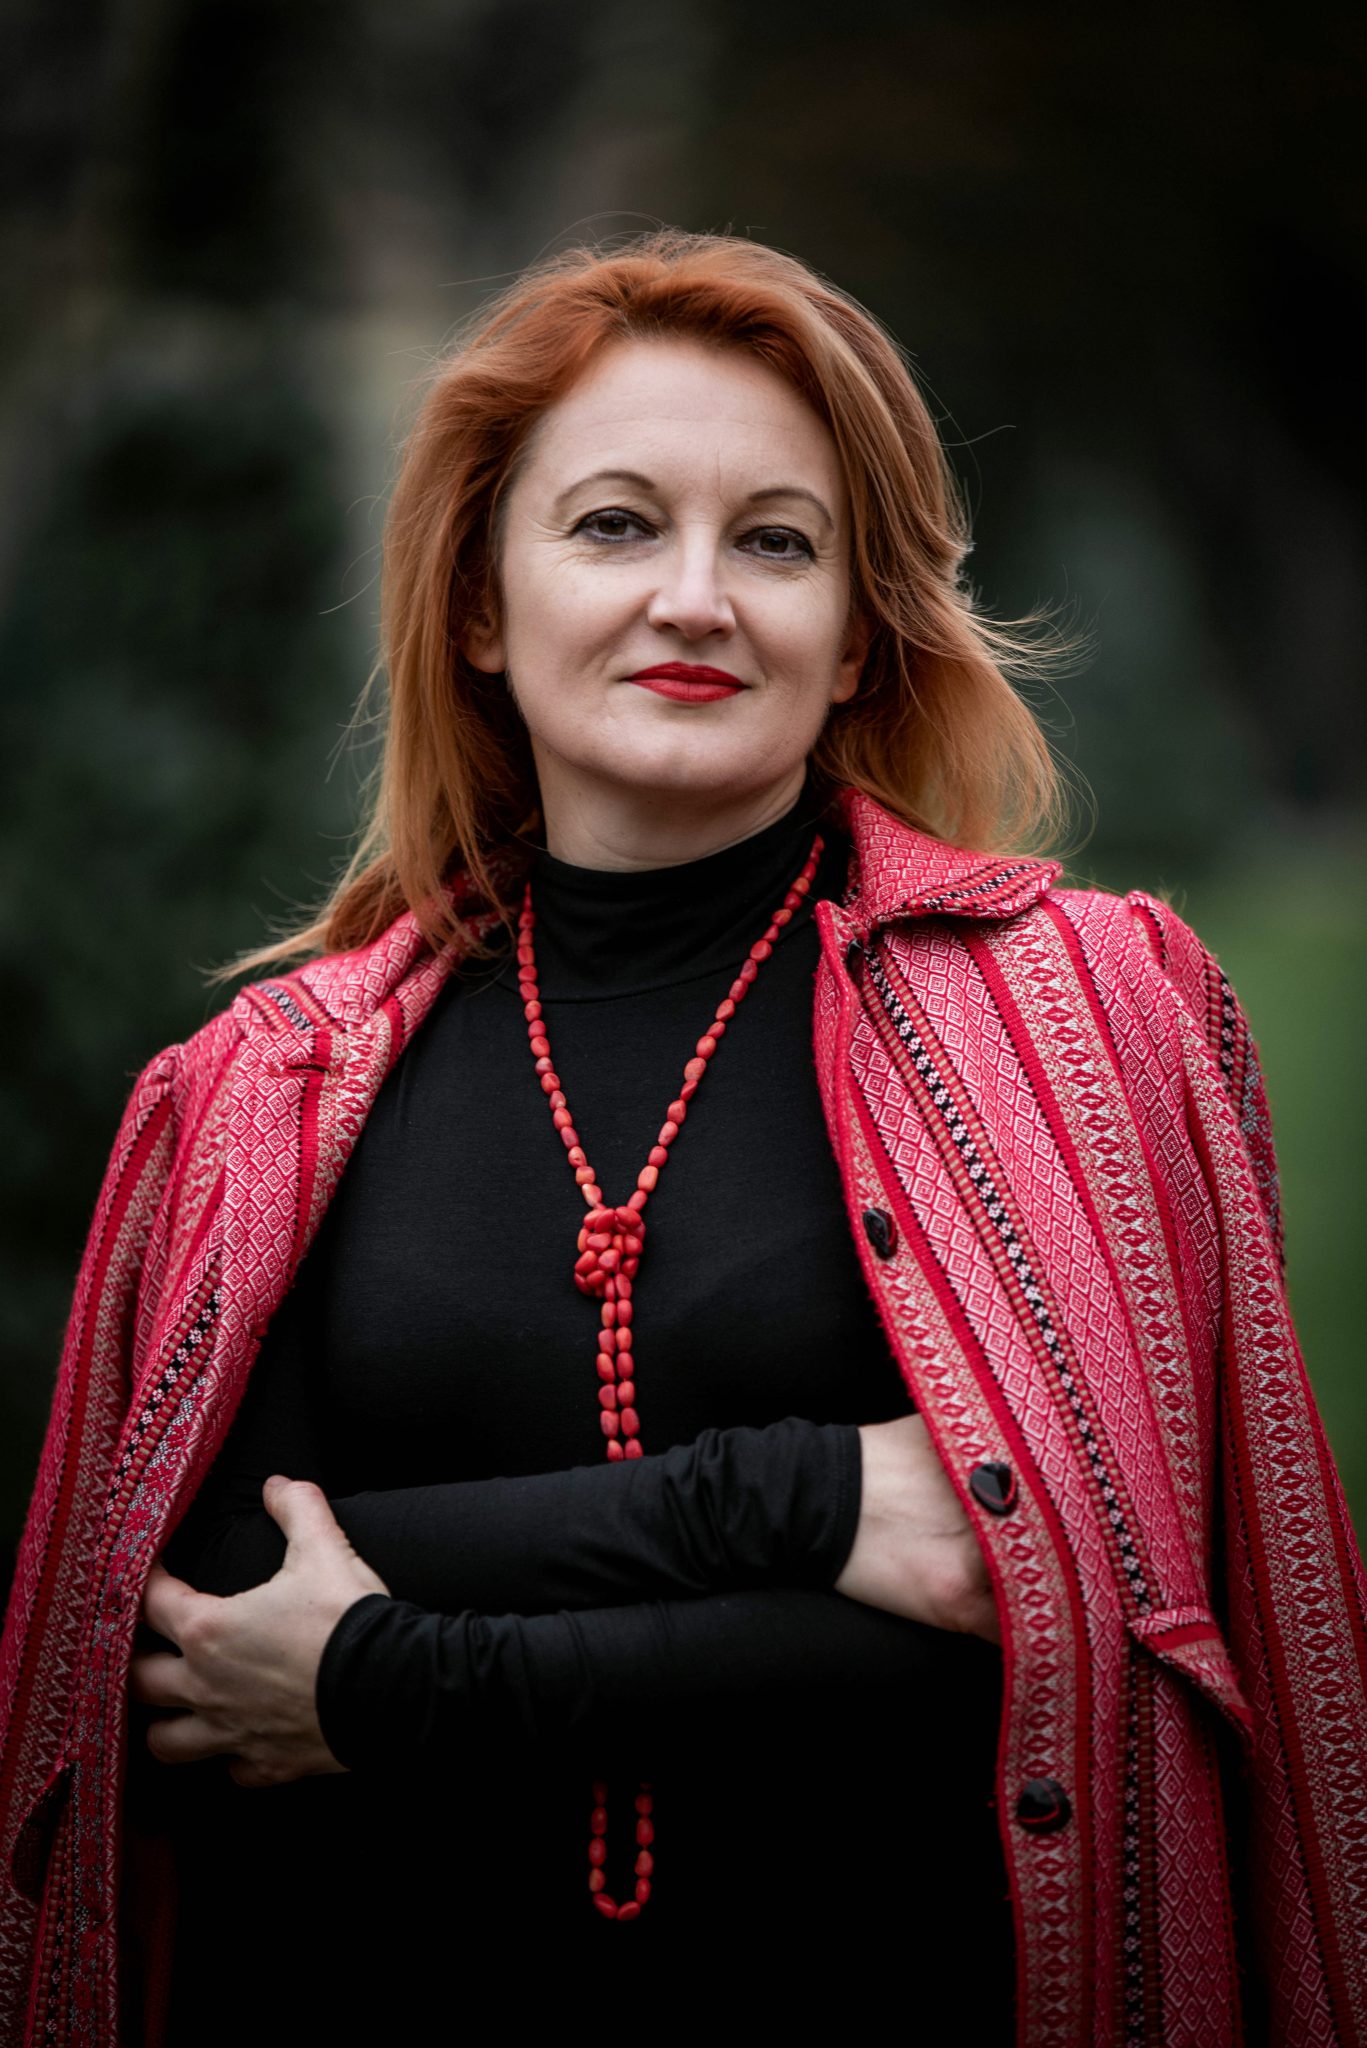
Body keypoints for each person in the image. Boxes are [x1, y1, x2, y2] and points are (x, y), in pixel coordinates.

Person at [1, 231, 1363, 2048]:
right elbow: (205, 1626)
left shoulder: (1085, 1027)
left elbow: (1057, 1618)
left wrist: (391, 1678)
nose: (697, 598)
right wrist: (805, 1503)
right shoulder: (264, 1098)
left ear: (859, 630)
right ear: (481, 607)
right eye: (616, 526)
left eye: (778, 543)